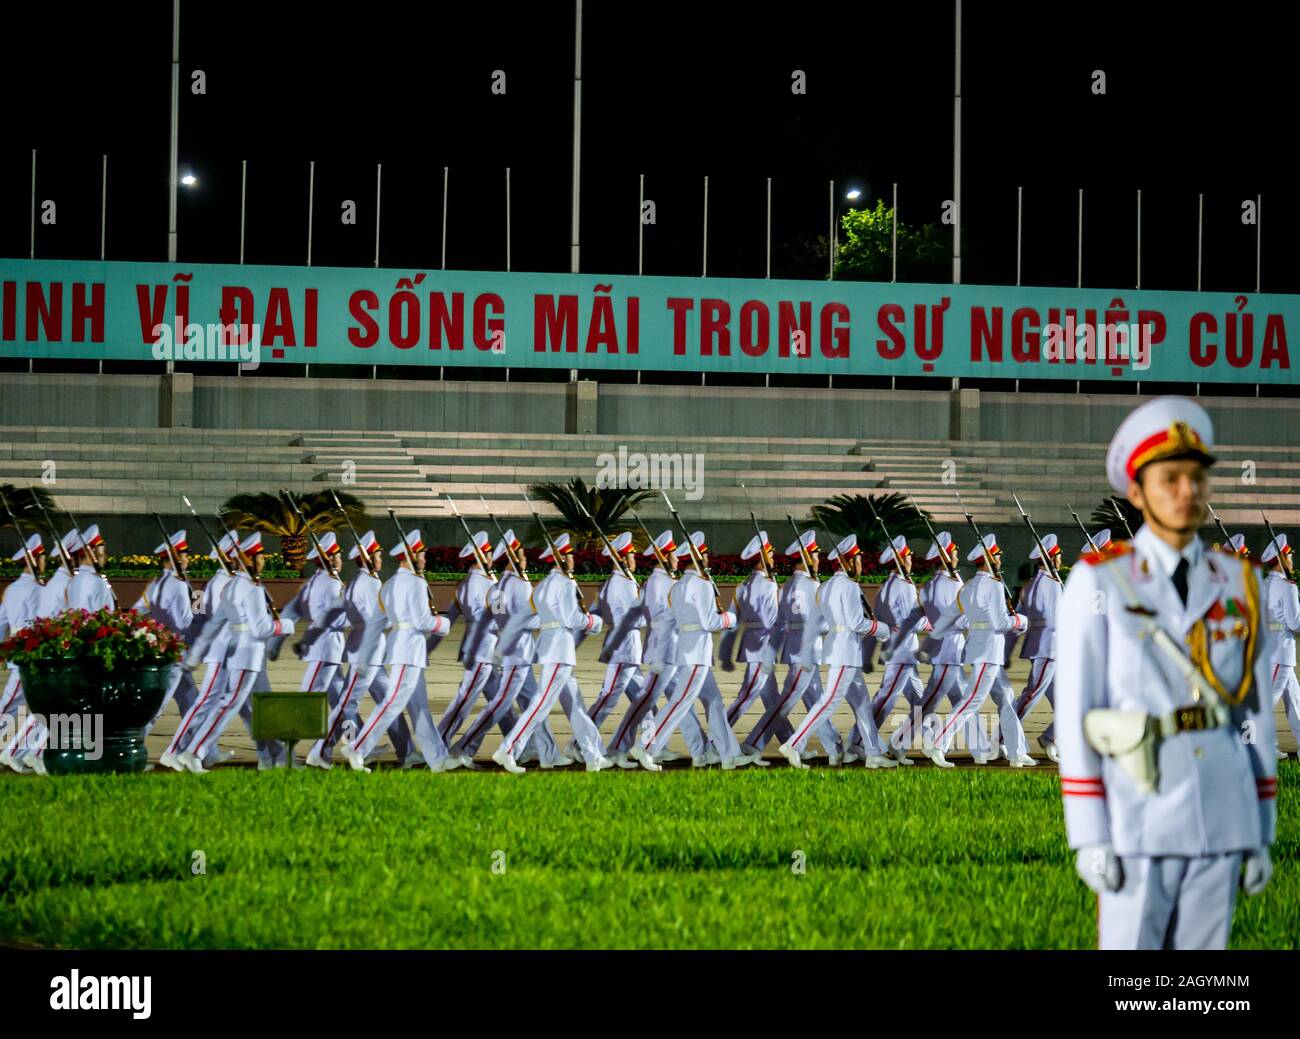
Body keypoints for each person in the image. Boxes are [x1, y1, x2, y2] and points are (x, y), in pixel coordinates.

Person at [1057, 395, 1275, 949]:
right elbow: (1079, 712)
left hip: (1222, 807)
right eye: (1170, 478)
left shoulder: (1240, 582)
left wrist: (1260, 827)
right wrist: (1089, 834)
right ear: (1137, 492)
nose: (1187, 492)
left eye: (1197, 478)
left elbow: (1254, 714)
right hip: (1139, 807)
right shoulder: (1102, 582)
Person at [630, 531, 759, 772]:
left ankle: (729, 754)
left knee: (715, 702)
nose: (709, 558)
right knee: (680, 702)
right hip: (697, 654)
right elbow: (710, 623)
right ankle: (645, 745)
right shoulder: (702, 585)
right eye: (706, 554)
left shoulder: (678, 587)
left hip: (688, 652)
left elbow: (672, 620)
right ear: (699, 557)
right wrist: (729, 618)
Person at [491, 533, 611, 773]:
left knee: (575, 705)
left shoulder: (541, 586)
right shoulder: (564, 584)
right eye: (570, 556)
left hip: (550, 649)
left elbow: (517, 620)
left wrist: (500, 650)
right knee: (539, 705)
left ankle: (593, 754)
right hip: (559, 651)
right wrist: (593, 622)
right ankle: (508, 749)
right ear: (562, 558)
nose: (573, 560)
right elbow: (571, 618)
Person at [778, 533, 892, 769]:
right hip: (845, 652)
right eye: (858, 560)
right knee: (829, 700)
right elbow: (855, 623)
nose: (861, 565)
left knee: (861, 702)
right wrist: (882, 629)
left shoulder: (826, 587)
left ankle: (873, 752)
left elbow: (814, 624)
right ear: (849, 561)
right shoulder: (849, 586)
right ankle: (794, 743)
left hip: (838, 649)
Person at [0, 533, 44, 774]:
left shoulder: (11, 590)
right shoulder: (37, 590)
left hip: (19, 655)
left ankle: (20, 753)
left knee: (36, 708)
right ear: (34, 560)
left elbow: (1, 622)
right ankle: (17, 753)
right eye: (43, 557)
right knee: (9, 705)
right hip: (31, 657)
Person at [1260, 533, 1300, 759]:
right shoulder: (1288, 587)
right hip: (1280, 654)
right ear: (1281, 559)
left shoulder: (1265, 584)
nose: (1292, 560)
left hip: (1275, 654)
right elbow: (1295, 623)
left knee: (1296, 703)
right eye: (1289, 556)